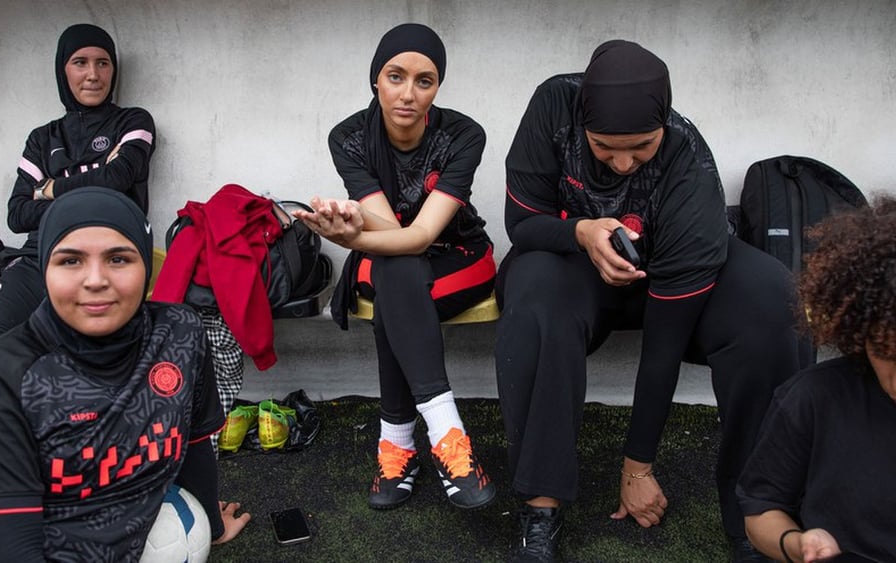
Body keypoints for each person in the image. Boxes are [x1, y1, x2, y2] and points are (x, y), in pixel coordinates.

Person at [495, 39, 809, 561]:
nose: (622, 163)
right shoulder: (554, 106)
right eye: (603, 148)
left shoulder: (688, 160)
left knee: (772, 300)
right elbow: (523, 225)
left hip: (672, 282)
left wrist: (636, 465)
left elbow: (665, 340)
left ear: (664, 124)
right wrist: (581, 232)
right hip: (575, 266)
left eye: (641, 147)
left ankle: (761, 513)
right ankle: (540, 504)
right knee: (532, 299)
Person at [0, 188, 249, 561]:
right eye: (70, 261)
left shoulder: (180, 334)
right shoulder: (2, 374)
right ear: (46, 269)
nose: (95, 280)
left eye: (118, 259)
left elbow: (193, 443)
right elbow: (9, 550)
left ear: (145, 264)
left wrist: (213, 523)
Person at [0, 22, 156, 501]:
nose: (93, 74)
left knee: (89, 366)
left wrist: (52, 188)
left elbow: (119, 179)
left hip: (111, 259)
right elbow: (18, 214)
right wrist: (82, 185)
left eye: (103, 63)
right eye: (80, 63)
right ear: (63, 71)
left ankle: (94, 476)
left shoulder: (133, 120)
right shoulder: (43, 138)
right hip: (38, 259)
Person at [293, 23, 497, 511]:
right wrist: (360, 233)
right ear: (375, 80)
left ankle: (399, 445)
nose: (408, 93)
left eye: (424, 81)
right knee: (397, 271)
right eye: (395, 76)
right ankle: (449, 441)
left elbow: (424, 235)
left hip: (458, 255)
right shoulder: (349, 136)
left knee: (395, 276)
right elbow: (389, 229)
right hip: (388, 258)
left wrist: (348, 236)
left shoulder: (464, 134)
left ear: (437, 87)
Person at [737, 196, 896, 563]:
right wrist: (798, 544)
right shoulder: (813, 398)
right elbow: (761, 510)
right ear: (860, 329)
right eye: (886, 353)